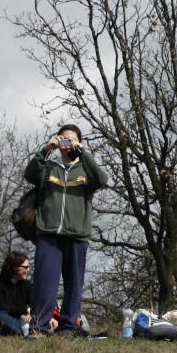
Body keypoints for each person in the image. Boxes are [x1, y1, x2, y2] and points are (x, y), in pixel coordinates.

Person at [25, 124, 109, 336]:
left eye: (71, 139)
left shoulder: (85, 170)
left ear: (79, 142)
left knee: (74, 285)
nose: (66, 143)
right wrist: (46, 149)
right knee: (44, 282)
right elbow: (30, 174)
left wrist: (82, 152)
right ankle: (38, 328)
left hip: (77, 234)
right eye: (63, 139)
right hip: (49, 233)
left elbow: (101, 180)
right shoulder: (50, 167)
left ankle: (68, 328)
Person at [0, 251, 35, 336]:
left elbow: (34, 305)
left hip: (19, 322)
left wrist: (30, 314)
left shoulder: (26, 285)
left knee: (32, 318)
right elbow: (2, 309)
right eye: (25, 267)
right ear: (15, 267)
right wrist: (24, 310)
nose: (28, 270)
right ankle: (25, 332)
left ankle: (27, 331)